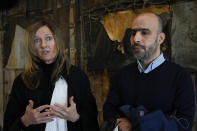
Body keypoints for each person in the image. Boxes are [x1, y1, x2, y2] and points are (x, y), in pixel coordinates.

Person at [103, 12, 195, 131]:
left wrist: (136, 123)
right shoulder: (121, 75)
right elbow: (108, 112)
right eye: (133, 33)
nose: (136, 39)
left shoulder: (180, 77)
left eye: (144, 32)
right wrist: (120, 120)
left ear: (160, 38)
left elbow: (184, 123)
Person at [3, 19, 99, 131]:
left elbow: (93, 123)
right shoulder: (23, 81)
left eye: (48, 38)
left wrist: (76, 118)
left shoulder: (77, 76)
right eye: (37, 41)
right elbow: (8, 126)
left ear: (57, 41)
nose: (43, 45)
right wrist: (25, 121)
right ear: (32, 47)